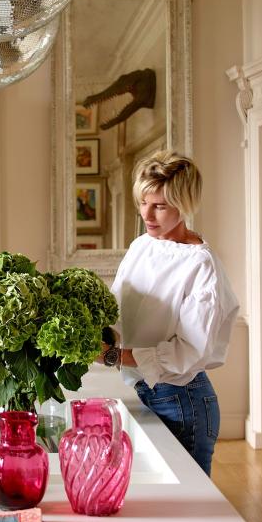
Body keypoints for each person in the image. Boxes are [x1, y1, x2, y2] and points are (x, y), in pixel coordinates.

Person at [101, 151, 238, 477]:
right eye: (143, 202)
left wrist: (112, 357)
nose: (147, 214)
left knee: (188, 505)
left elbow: (187, 351)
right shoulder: (141, 246)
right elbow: (116, 311)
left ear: (184, 204)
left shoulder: (201, 265)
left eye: (159, 205)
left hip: (182, 402)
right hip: (142, 390)